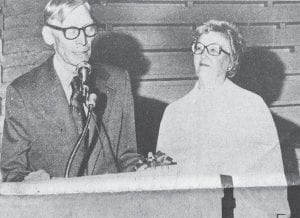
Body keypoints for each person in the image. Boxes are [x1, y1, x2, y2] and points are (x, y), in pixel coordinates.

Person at [1, 0, 141, 182]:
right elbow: (11, 172)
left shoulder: (119, 80)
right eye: (72, 32)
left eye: (89, 29)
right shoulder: (22, 93)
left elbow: (128, 158)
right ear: (49, 36)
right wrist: (31, 181)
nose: (83, 41)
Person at [156, 20, 285, 177]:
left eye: (214, 50)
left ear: (230, 61)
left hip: (235, 199)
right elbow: (163, 176)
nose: (203, 55)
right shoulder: (173, 112)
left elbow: (270, 177)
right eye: (199, 48)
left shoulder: (252, 105)